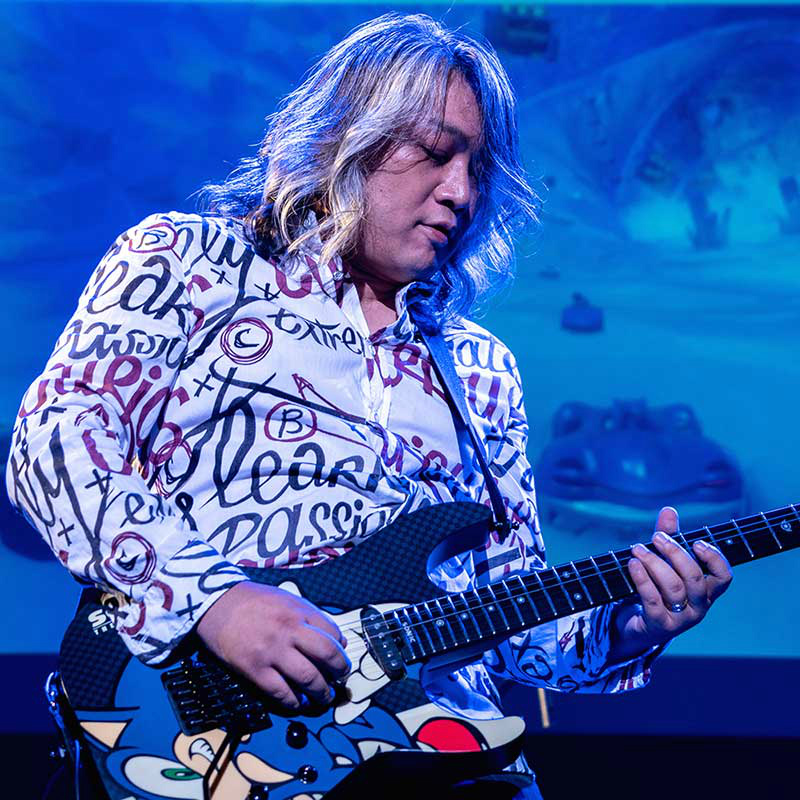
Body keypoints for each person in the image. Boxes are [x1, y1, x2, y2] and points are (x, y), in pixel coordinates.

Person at [6, 13, 732, 799]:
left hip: (446, 759)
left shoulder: (481, 370)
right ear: (346, 136)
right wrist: (209, 600)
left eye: (479, 168)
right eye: (435, 151)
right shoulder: (190, 263)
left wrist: (634, 623)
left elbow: (516, 623)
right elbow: (54, 444)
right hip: (214, 742)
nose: (461, 191)